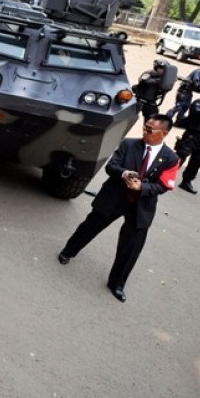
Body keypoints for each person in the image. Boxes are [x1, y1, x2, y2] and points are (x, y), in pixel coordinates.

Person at [57, 114, 179, 303]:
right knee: (90, 226)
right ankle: (68, 251)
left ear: (164, 133)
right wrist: (125, 174)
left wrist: (143, 188)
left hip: (141, 206)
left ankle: (117, 283)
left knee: (131, 247)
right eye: (145, 127)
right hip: (114, 196)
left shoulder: (171, 158)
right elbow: (112, 166)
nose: (145, 131)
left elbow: (164, 185)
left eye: (150, 129)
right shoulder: (129, 144)